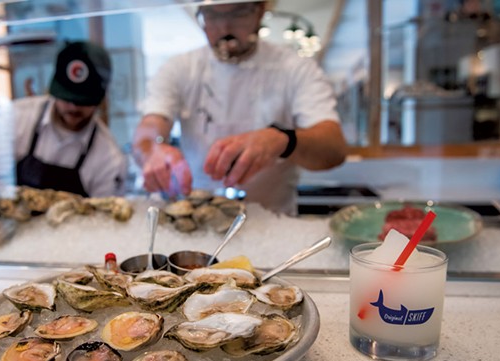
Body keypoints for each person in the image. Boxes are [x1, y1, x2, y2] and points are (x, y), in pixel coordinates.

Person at [132, 1, 347, 215]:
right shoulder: (179, 68)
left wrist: (281, 139)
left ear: (260, 12)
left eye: (238, 13)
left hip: (270, 220)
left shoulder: (295, 68)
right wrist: (154, 149)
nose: (224, 28)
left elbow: (333, 149)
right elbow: (151, 124)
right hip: (195, 221)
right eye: (212, 15)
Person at [0, 41, 127, 198]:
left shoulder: (109, 157)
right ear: (52, 90)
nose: (73, 107)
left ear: (100, 100)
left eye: (82, 101)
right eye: (66, 98)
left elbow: (103, 217)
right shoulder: (15, 118)